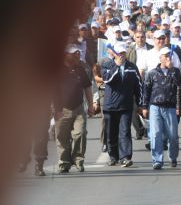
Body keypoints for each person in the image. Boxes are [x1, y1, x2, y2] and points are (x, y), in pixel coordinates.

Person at [53, 45, 95, 173]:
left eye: (78, 53)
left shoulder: (80, 69)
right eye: (74, 53)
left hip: (78, 108)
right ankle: (64, 162)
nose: (77, 55)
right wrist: (54, 108)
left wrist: (91, 105)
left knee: (80, 133)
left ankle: (78, 160)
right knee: (62, 137)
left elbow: (87, 87)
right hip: (62, 109)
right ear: (66, 55)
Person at [101, 43, 142, 168]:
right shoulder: (107, 65)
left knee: (125, 131)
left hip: (126, 105)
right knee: (111, 132)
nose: (121, 56)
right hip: (110, 106)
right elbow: (107, 79)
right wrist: (117, 67)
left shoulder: (132, 67)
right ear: (114, 53)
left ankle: (125, 157)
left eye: (123, 53)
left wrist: (141, 104)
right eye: (119, 53)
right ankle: (113, 156)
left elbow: (138, 86)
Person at [143, 47, 181, 169]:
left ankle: (173, 157)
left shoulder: (175, 71)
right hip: (155, 106)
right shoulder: (152, 73)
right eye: (165, 56)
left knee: (173, 136)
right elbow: (146, 90)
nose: (167, 58)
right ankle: (157, 160)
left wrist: (179, 106)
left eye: (169, 56)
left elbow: (180, 85)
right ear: (160, 58)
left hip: (170, 107)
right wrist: (144, 106)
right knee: (156, 134)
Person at [126, 31, 153, 140]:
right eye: (138, 37)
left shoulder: (151, 48)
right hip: (134, 81)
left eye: (142, 37)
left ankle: (148, 129)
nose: (140, 39)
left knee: (147, 105)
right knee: (134, 106)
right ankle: (139, 128)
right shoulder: (130, 50)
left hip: (149, 80)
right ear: (134, 38)